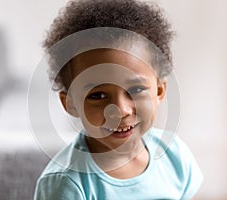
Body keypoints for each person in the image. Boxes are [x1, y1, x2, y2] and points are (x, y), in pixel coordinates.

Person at [34, 0, 203, 199]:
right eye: (98, 95)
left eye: (136, 89)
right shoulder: (67, 184)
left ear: (159, 91)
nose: (121, 110)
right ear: (70, 104)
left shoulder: (174, 155)